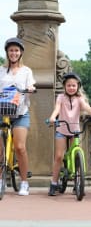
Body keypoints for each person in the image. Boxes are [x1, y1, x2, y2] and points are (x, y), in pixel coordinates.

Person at [48, 72, 91, 196]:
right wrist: (52, 117)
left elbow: (87, 107)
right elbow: (57, 108)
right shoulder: (60, 97)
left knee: (76, 154)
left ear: (78, 86)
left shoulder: (79, 99)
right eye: (69, 85)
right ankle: (54, 183)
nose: (71, 88)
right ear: (65, 86)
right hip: (62, 129)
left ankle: (78, 183)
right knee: (59, 156)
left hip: (75, 130)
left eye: (74, 86)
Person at [0, 37, 36, 196]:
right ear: (7, 53)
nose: (13, 53)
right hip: (2, 112)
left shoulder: (26, 71)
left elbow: (32, 85)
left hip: (20, 112)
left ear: (21, 53)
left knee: (20, 147)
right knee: (0, 150)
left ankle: (24, 182)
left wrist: (30, 88)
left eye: (16, 50)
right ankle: (1, 180)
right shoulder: (1, 70)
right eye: (11, 50)